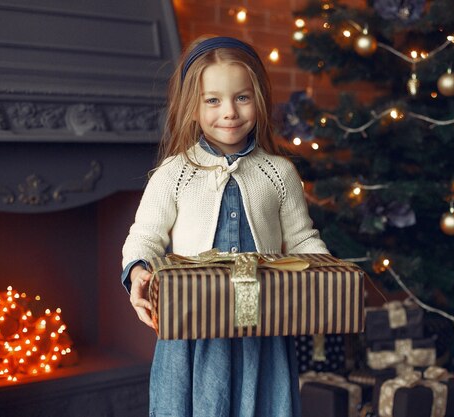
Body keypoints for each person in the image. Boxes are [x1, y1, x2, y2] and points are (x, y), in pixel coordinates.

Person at [121, 35, 328, 417]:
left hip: (263, 327)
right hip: (193, 330)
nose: (229, 111)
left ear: (259, 99)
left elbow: (302, 239)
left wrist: (330, 275)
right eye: (213, 100)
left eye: (242, 97)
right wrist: (137, 271)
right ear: (192, 108)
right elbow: (145, 235)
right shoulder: (175, 173)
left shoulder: (279, 173)